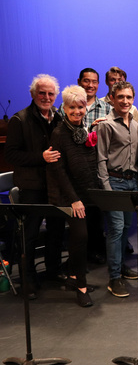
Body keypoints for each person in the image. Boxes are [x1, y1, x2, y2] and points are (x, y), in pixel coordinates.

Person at [5, 74, 65, 298]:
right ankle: (27, 280)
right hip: (32, 186)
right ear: (32, 94)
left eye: (50, 94)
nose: (46, 97)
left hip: (55, 186)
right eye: (42, 93)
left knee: (56, 231)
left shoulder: (58, 117)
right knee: (29, 235)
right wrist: (41, 157)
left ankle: (53, 271)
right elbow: (11, 154)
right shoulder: (19, 120)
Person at [47, 85, 100, 307]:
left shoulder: (83, 128)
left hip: (87, 193)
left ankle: (73, 276)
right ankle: (81, 286)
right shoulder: (59, 133)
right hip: (69, 197)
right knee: (80, 236)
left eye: (80, 106)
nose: (77, 111)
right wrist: (74, 200)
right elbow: (58, 170)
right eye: (72, 107)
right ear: (64, 108)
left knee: (85, 238)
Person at [97, 81, 138, 298]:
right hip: (114, 182)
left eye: (129, 97)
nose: (125, 101)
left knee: (126, 228)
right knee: (115, 229)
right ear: (112, 99)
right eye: (121, 97)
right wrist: (107, 188)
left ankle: (122, 265)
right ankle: (114, 278)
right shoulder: (106, 124)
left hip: (132, 183)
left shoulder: (135, 124)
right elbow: (101, 159)